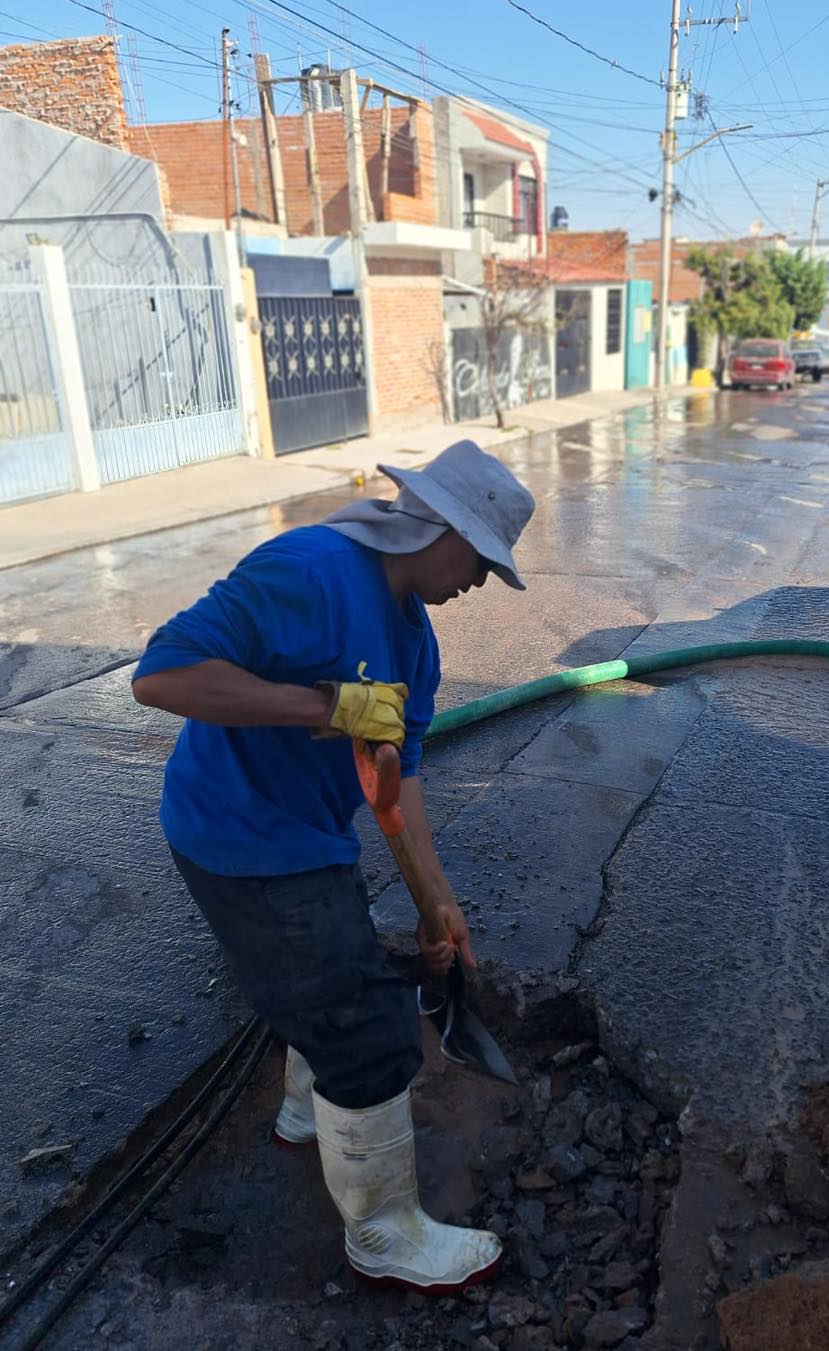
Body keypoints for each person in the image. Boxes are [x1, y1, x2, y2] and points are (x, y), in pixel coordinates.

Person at [131, 441, 535, 1293]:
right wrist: (322, 705)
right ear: (443, 528)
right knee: (371, 1029)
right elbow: (161, 676)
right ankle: (383, 1236)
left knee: (327, 967)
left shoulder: (415, 648)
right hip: (236, 834)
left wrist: (439, 905)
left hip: (311, 837)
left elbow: (401, 786)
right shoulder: (309, 570)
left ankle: (301, 1113)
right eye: (481, 563)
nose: (479, 585)